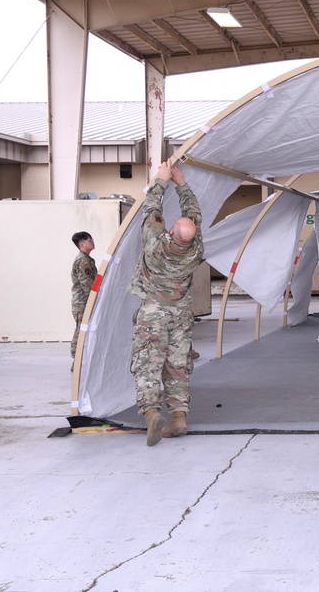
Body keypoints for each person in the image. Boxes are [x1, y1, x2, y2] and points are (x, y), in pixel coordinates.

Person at [128, 161, 204, 446]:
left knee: (148, 364)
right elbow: (193, 214)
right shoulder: (196, 249)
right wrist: (181, 183)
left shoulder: (155, 245)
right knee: (178, 364)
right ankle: (179, 418)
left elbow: (151, 208)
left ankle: (151, 414)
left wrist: (161, 180)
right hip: (181, 313)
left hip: (154, 312)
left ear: (171, 232)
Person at [70, 231, 96, 366]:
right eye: (89, 240)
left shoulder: (87, 259)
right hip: (83, 302)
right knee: (81, 330)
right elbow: (88, 285)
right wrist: (95, 300)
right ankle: (77, 361)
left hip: (84, 301)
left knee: (82, 329)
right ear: (82, 244)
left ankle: (79, 361)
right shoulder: (83, 261)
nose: (93, 242)